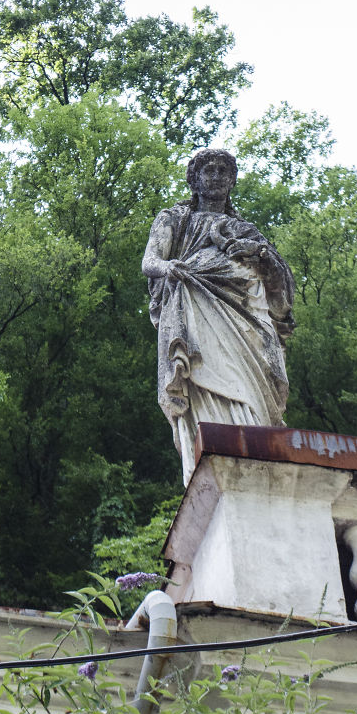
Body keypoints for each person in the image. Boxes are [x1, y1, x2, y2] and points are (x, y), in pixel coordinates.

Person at [142, 148, 295, 483]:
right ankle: (215, 451)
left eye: (223, 171)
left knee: (248, 386)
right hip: (194, 305)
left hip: (245, 316)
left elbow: (280, 290)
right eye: (208, 170)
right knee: (204, 377)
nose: (215, 176)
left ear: (232, 180)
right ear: (195, 179)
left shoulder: (246, 230)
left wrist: (260, 254)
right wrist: (171, 268)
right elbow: (150, 261)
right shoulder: (173, 219)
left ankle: (251, 439)